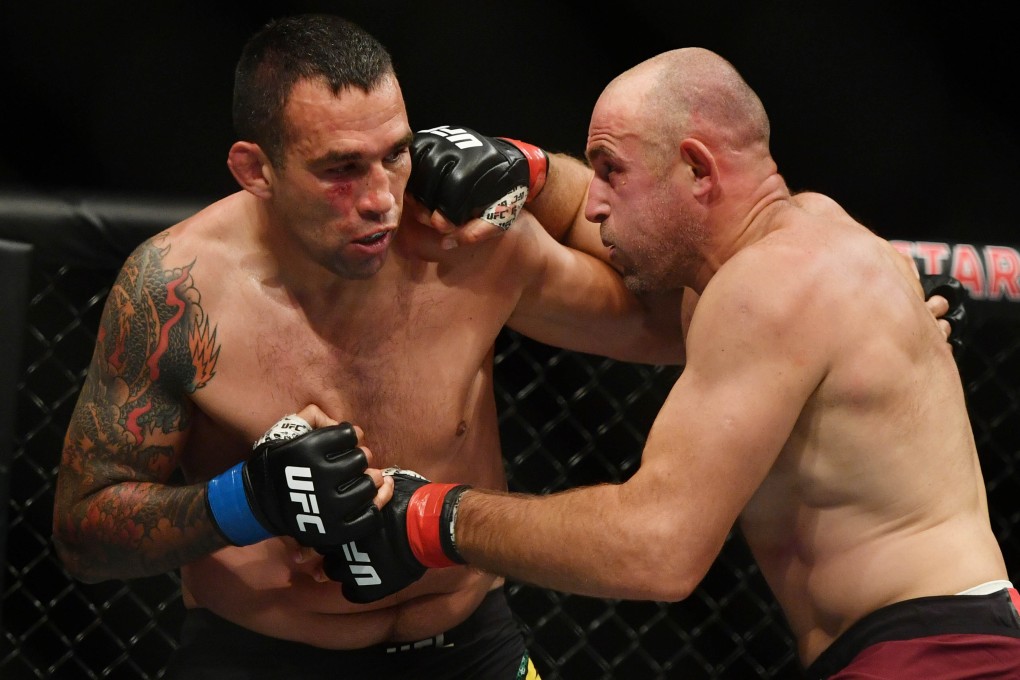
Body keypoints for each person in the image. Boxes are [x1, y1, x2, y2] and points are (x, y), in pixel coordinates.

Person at [330, 48, 1020, 678]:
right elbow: (595, 234)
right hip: (930, 639)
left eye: (611, 170)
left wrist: (431, 519)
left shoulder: (771, 286)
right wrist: (528, 167)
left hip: (942, 655)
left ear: (696, 168)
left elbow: (655, 549)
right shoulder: (787, 254)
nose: (594, 201)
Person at [49, 14, 689, 680]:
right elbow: (83, 535)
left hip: (471, 648)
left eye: (395, 154)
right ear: (256, 170)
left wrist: (537, 172)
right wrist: (249, 501)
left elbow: (672, 324)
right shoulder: (177, 294)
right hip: (260, 660)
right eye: (341, 170)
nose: (382, 198)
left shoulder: (466, 246)